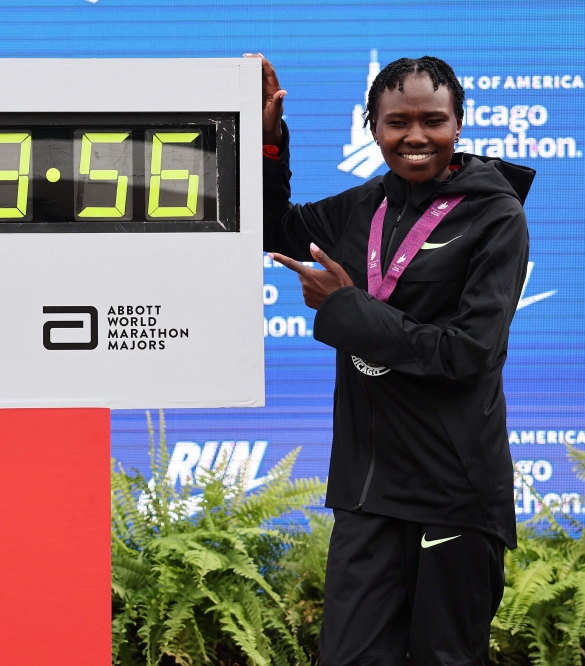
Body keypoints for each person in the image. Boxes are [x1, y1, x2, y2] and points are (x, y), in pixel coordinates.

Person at [252, 53, 535, 665]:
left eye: (432, 120)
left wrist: (348, 309)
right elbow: (273, 228)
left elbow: (469, 353)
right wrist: (269, 142)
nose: (414, 136)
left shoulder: (496, 216)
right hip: (368, 490)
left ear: (458, 124)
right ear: (371, 126)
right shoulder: (363, 208)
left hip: (454, 489)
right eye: (396, 122)